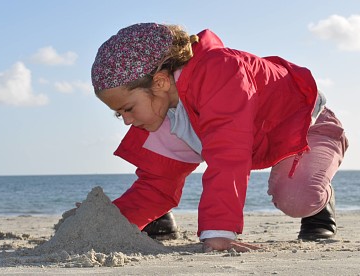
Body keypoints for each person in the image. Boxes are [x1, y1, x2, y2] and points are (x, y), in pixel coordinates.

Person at [90, 23, 348, 252]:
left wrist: (218, 232)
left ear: (159, 83)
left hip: (307, 125)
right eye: (118, 114)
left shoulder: (221, 72)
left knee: (297, 199)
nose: (126, 120)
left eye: (128, 109)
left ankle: (320, 206)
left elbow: (228, 152)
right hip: (258, 140)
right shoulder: (163, 111)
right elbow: (157, 183)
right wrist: (100, 224)